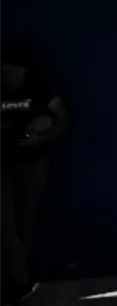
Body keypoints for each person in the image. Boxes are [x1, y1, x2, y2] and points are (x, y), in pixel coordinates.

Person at [0, 40, 67, 305]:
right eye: (6, 69)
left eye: (14, 69)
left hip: (32, 164)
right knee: (4, 227)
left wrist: (42, 136)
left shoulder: (41, 89)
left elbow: (62, 121)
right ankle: (18, 281)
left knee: (24, 225)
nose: (10, 74)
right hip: (1, 164)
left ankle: (17, 284)